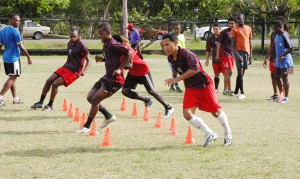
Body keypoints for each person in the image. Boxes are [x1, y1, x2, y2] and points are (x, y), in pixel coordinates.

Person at [161, 33, 232, 147]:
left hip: (204, 84)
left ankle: (228, 134)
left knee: (215, 111)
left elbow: (195, 69)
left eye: (167, 44)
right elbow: (178, 70)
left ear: (175, 43)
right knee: (187, 114)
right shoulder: (170, 58)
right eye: (162, 45)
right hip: (190, 87)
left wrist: (177, 79)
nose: (165, 48)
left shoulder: (187, 53)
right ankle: (210, 133)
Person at [77, 23, 132, 133]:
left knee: (96, 99)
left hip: (116, 80)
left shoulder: (113, 44)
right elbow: (113, 59)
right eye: (98, 34)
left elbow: (129, 54)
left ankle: (87, 126)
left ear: (108, 32)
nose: (99, 36)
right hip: (107, 77)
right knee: (90, 97)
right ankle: (108, 116)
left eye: (101, 34)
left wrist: (119, 69)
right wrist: (103, 60)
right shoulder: (106, 44)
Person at [112, 34, 174, 117]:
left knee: (151, 91)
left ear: (117, 43)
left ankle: (168, 107)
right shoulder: (119, 49)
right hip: (133, 72)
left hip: (142, 70)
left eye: (112, 42)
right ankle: (146, 100)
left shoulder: (125, 49)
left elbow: (129, 65)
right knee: (125, 91)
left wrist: (118, 67)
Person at [31, 27, 91, 111]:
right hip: (66, 67)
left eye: (74, 36)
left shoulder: (82, 45)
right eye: (70, 36)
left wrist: (84, 71)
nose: (72, 38)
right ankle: (40, 102)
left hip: (75, 71)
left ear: (78, 35)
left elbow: (89, 60)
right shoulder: (69, 43)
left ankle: (50, 105)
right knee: (49, 80)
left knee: (55, 84)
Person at [0, 13, 32, 107]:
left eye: (19, 20)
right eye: (16, 20)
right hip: (13, 58)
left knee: (12, 78)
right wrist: (28, 57)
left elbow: (0, 45)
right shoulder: (15, 31)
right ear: (10, 20)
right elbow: (21, 46)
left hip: (6, 57)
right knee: (12, 78)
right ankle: (0, 96)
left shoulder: (3, 30)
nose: (18, 22)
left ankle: (15, 99)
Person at [231, 13, 252, 100]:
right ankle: (242, 93)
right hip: (238, 52)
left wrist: (250, 54)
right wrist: (237, 55)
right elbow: (232, 44)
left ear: (244, 18)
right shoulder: (234, 29)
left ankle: (236, 91)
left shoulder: (248, 28)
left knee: (242, 73)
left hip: (246, 52)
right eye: (237, 19)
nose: (238, 20)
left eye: (240, 18)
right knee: (240, 72)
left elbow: (249, 42)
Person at [273, 20, 294, 103]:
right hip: (278, 59)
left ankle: (286, 97)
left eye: (277, 27)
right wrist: (276, 57)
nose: (276, 29)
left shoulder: (284, 35)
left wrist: (282, 55)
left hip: (285, 60)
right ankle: (281, 95)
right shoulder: (276, 36)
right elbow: (277, 48)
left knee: (284, 77)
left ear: (281, 27)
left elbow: (291, 48)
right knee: (276, 77)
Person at [216, 17, 236, 96]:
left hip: (232, 54)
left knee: (228, 73)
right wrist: (217, 54)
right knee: (229, 71)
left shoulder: (236, 31)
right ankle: (229, 89)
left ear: (235, 24)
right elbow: (219, 44)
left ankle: (225, 89)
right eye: (230, 23)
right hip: (225, 54)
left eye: (233, 23)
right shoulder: (224, 32)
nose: (231, 25)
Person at [205, 23, 222, 93]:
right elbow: (208, 49)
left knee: (226, 73)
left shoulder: (223, 37)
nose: (215, 30)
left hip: (224, 57)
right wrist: (207, 59)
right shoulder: (210, 38)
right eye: (214, 29)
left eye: (217, 29)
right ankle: (216, 88)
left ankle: (226, 89)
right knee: (216, 74)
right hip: (215, 59)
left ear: (220, 29)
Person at [263, 27, 278, 100]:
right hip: (272, 58)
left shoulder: (285, 34)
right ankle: (275, 94)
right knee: (273, 76)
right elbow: (271, 47)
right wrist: (266, 58)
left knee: (279, 77)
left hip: (280, 59)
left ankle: (283, 95)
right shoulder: (273, 34)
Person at [169, 23, 184, 92]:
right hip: (173, 55)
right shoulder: (171, 37)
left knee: (178, 71)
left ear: (180, 29)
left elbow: (183, 45)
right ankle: (177, 87)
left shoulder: (182, 36)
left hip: (181, 55)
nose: (176, 30)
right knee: (174, 71)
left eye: (178, 29)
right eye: (175, 29)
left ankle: (172, 86)